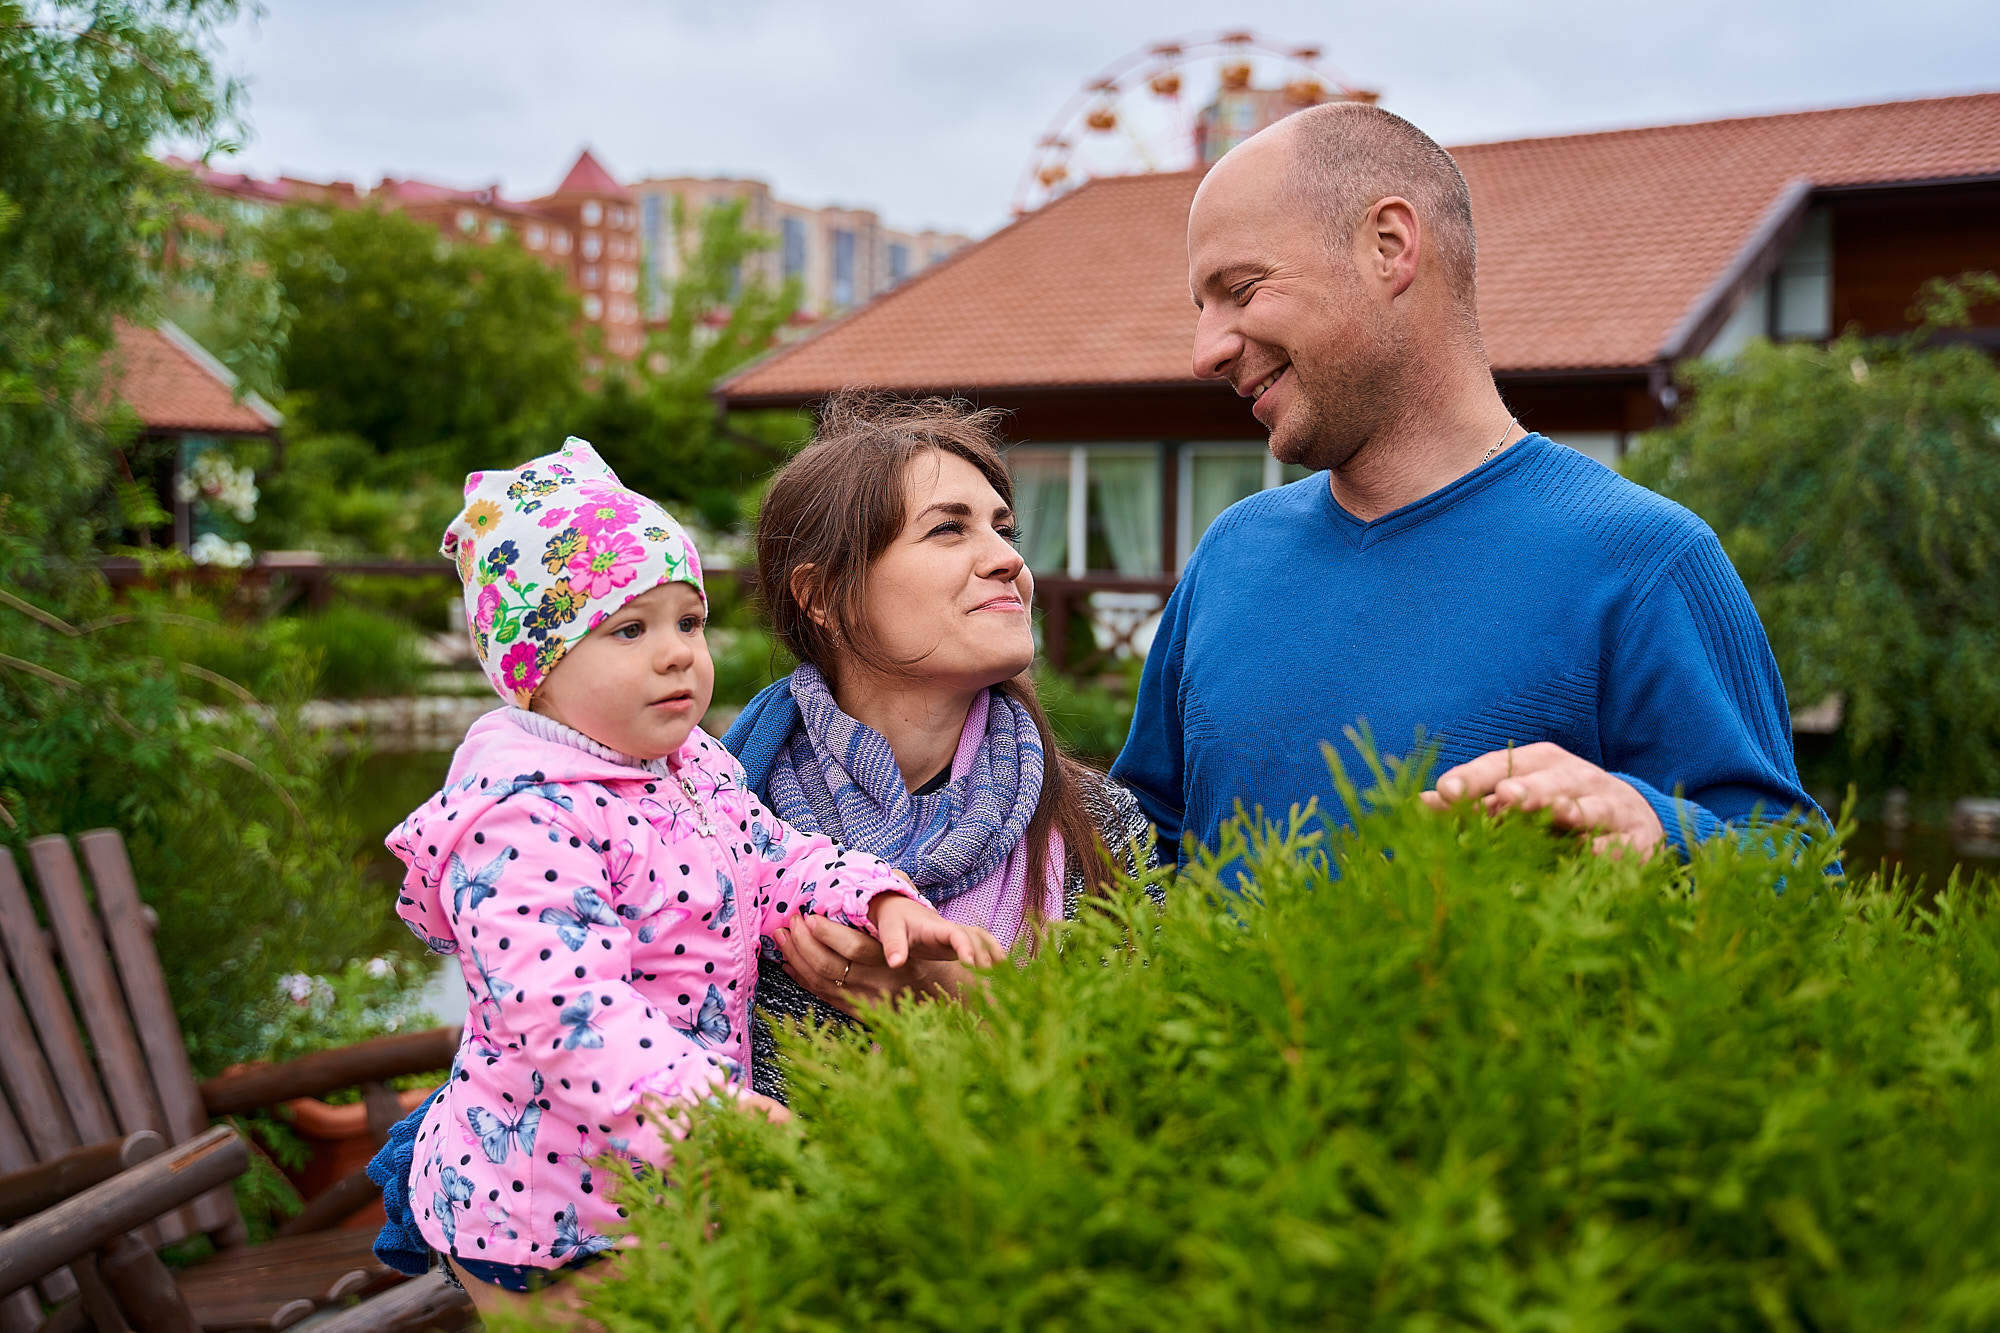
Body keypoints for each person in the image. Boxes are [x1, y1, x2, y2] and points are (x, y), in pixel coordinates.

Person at [1112, 101, 1825, 866]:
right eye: (1202, 307)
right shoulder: (1228, 553)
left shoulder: (1646, 560)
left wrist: (1658, 833)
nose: (1204, 352)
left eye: (1242, 288)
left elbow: (1799, 880)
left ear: (1389, 247)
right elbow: (1141, 842)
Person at [383, 437, 1001, 1316]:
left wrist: (878, 895)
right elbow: (569, 1016)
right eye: (629, 629)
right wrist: (711, 1112)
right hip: (546, 1216)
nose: (677, 653)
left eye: (689, 621)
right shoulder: (518, 814)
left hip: (657, 1185)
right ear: (533, 670)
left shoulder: (690, 767)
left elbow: (774, 858)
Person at [726, 393, 1158, 1099]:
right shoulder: (723, 834)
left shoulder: (1100, 826)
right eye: (948, 531)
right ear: (825, 595)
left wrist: (959, 991)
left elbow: (1157, 1075)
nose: (1008, 561)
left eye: (1004, 528)